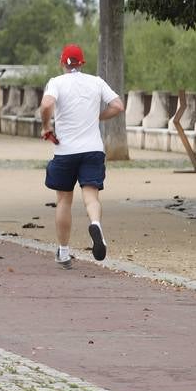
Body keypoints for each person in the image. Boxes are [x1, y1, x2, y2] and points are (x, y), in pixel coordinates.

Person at [40, 43, 124, 269]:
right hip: (93, 149)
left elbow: (47, 103)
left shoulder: (56, 82)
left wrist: (46, 125)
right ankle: (95, 224)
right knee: (91, 197)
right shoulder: (96, 81)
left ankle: (64, 252)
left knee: (64, 201)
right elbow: (118, 105)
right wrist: (97, 116)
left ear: (62, 62)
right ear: (81, 62)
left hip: (65, 151)